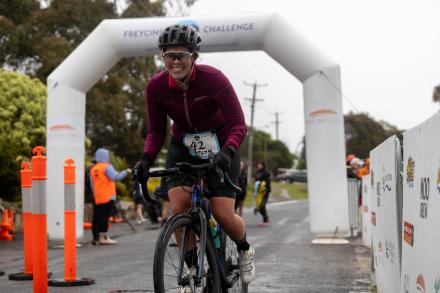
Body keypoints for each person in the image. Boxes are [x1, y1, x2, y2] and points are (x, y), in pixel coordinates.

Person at [133, 23, 255, 286]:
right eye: (169, 56)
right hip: (184, 144)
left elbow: (237, 124)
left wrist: (229, 150)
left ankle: (244, 249)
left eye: (182, 56)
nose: (175, 62)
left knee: (223, 214)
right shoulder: (156, 87)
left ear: (194, 57)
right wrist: (145, 159)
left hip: (221, 144)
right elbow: (156, 130)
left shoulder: (214, 79)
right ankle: (191, 271)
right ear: (162, 56)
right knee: (178, 206)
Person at [90, 148, 131, 245]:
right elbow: (115, 177)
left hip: (98, 197)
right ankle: (103, 237)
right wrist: (126, 172)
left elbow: (92, 185)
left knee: (97, 217)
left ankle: (96, 238)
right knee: (105, 217)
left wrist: (96, 194)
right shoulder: (107, 167)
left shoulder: (93, 169)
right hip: (108, 196)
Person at [254, 161, 271, 226]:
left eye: (260, 165)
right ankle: (265, 219)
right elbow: (256, 181)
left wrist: (264, 187)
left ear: (263, 165)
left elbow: (267, 181)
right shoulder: (257, 173)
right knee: (258, 206)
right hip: (258, 192)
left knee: (262, 205)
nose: (259, 166)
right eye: (258, 165)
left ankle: (265, 219)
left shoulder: (267, 173)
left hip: (265, 191)